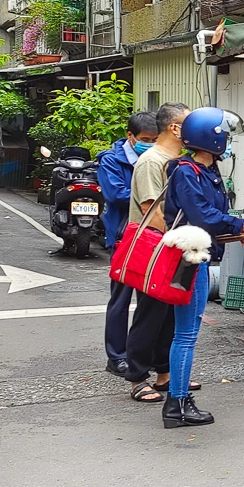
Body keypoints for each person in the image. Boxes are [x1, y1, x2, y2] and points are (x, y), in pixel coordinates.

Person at [162, 107, 244, 427]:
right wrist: (239, 223)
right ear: (211, 138)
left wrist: (239, 233)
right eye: (226, 136)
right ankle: (176, 404)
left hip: (197, 256)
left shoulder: (207, 171)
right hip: (186, 261)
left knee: (185, 333)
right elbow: (202, 216)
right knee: (186, 335)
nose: (229, 142)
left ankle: (176, 401)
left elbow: (210, 222)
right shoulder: (187, 172)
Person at [123, 102, 190, 404]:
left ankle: (164, 372)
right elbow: (152, 209)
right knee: (149, 313)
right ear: (175, 128)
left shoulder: (177, 159)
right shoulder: (152, 161)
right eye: (188, 123)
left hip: (174, 246)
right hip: (156, 248)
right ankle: (137, 377)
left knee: (168, 315)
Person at [97, 111, 158, 376]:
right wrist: (151, 194)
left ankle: (143, 355)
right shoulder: (111, 161)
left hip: (151, 237)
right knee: (120, 300)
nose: (151, 144)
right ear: (130, 136)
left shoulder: (155, 159)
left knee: (149, 302)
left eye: (155, 139)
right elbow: (116, 194)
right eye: (146, 139)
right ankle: (116, 356)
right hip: (124, 237)